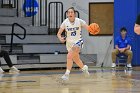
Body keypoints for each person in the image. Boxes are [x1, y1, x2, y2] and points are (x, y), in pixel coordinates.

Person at [57, 7, 96, 80]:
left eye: (71, 12)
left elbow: (88, 28)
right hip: (69, 44)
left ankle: (67, 74)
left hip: (78, 42)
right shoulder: (65, 22)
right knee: (76, 59)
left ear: (74, 14)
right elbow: (58, 33)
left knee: (69, 56)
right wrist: (60, 38)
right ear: (67, 14)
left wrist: (92, 30)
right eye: (68, 12)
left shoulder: (79, 21)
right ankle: (84, 68)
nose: (70, 14)